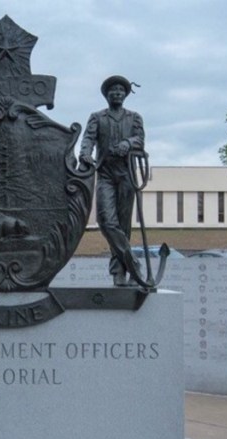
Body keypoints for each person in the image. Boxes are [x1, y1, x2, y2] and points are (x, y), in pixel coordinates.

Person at [79, 75, 145, 287]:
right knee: (106, 221)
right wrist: (85, 154)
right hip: (105, 174)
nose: (117, 92)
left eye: (120, 89)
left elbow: (140, 139)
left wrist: (128, 142)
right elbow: (88, 139)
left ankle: (119, 272)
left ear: (125, 94)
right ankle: (133, 264)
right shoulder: (97, 117)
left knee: (123, 227)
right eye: (113, 90)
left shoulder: (134, 117)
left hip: (126, 175)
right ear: (106, 94)